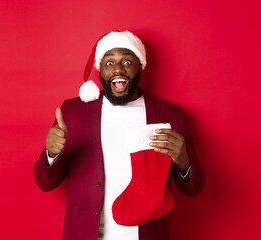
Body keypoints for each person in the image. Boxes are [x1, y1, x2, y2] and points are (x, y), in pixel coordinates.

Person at [33, 31, 205, 240]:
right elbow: (45, 183)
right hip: (86, 234)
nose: (117, 69)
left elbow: (194, 189)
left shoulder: (171, 114)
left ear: (140, 66)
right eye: (109, 63)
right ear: (100, 70)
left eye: (126, 60)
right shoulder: (73, 111)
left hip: (147, 232)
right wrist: (51, 153)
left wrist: (183, 160)